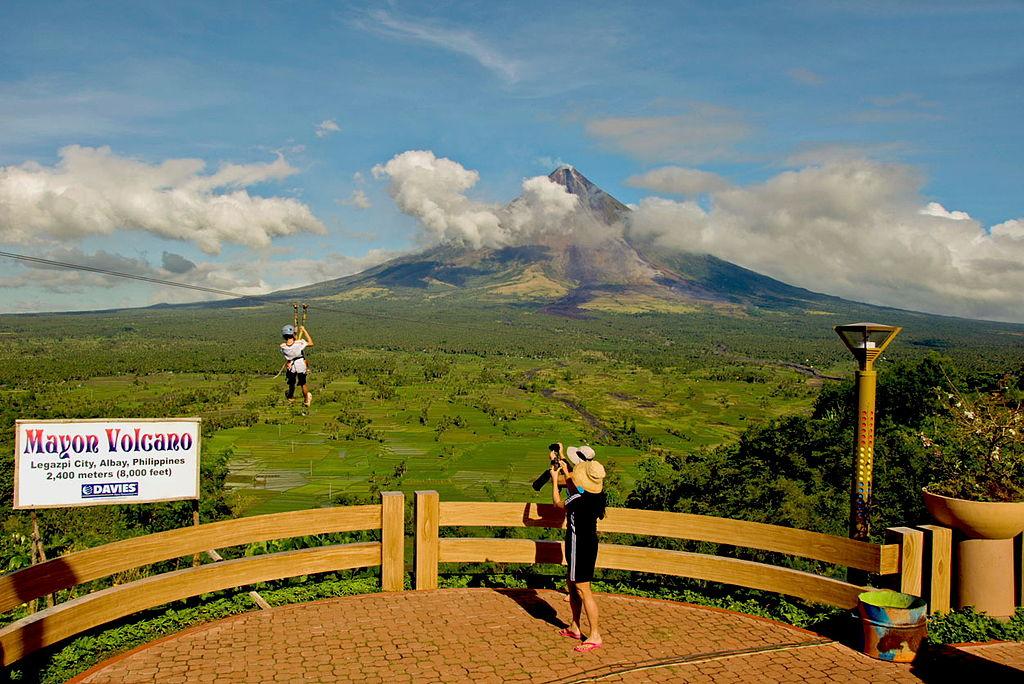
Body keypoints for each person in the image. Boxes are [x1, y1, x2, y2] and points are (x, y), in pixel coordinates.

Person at [549, 444, 606, 653]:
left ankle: (595, 635)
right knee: (572, 584)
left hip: (578, 544)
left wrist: (555, 479)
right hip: (589, 542)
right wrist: (564, 467)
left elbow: (557, 503)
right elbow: (578, 486)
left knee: (584, 589)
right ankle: (575, 626)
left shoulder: (577, 499)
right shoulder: (598, 497)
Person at [280, 324, 314, 407]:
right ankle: (306, 400)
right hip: (300, 364)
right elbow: (311, 343)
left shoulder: (282, 346)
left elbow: (290, 353)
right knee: (303, 384)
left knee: (291, 383)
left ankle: (290, 396)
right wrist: (304, 330)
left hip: (291, 366)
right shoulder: (299, 343)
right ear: (293, 335)